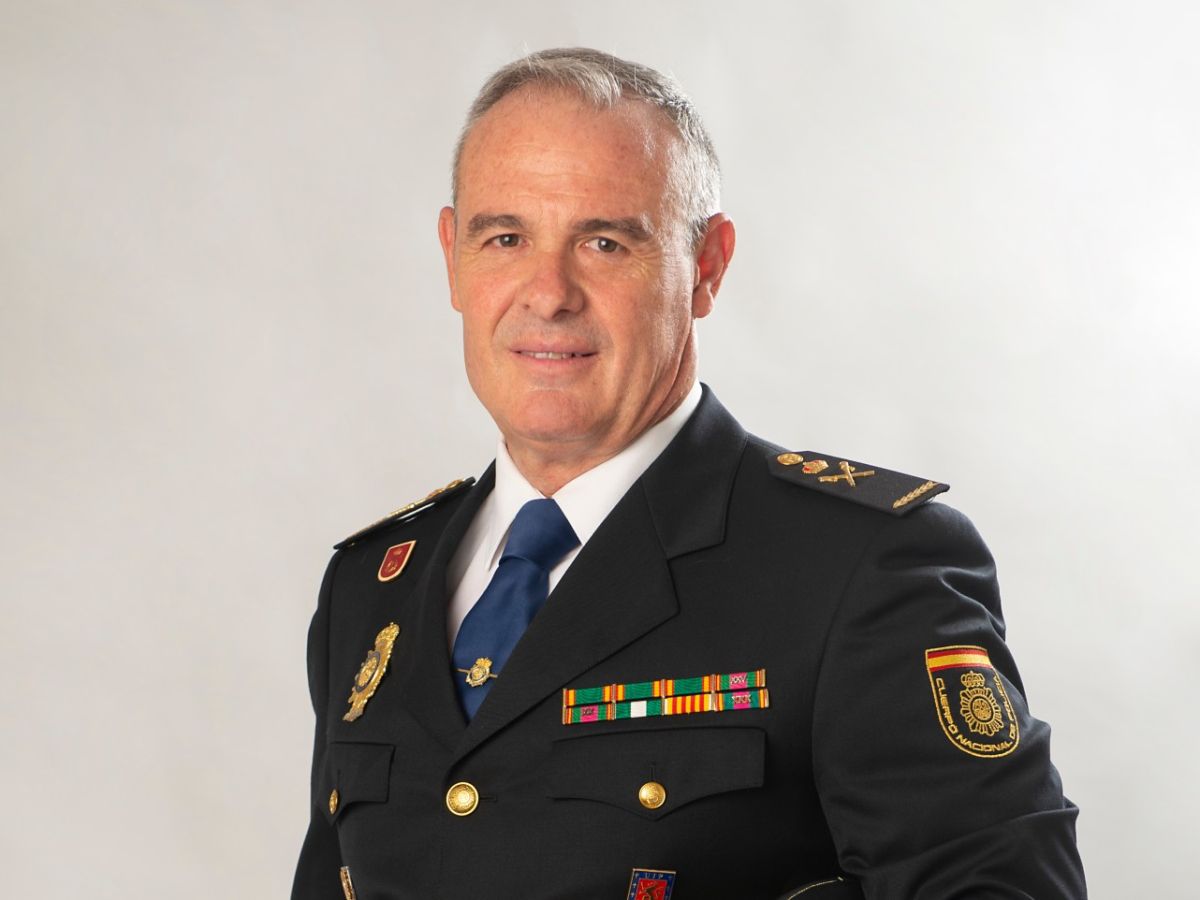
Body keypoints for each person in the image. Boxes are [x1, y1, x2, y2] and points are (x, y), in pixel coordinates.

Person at [291, 48, 1086, 900]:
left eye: (604, 241)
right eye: (506, 238)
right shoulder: (370, 589)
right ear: (453, 256)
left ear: (707, 265)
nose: (548, 292)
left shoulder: (853, 568)